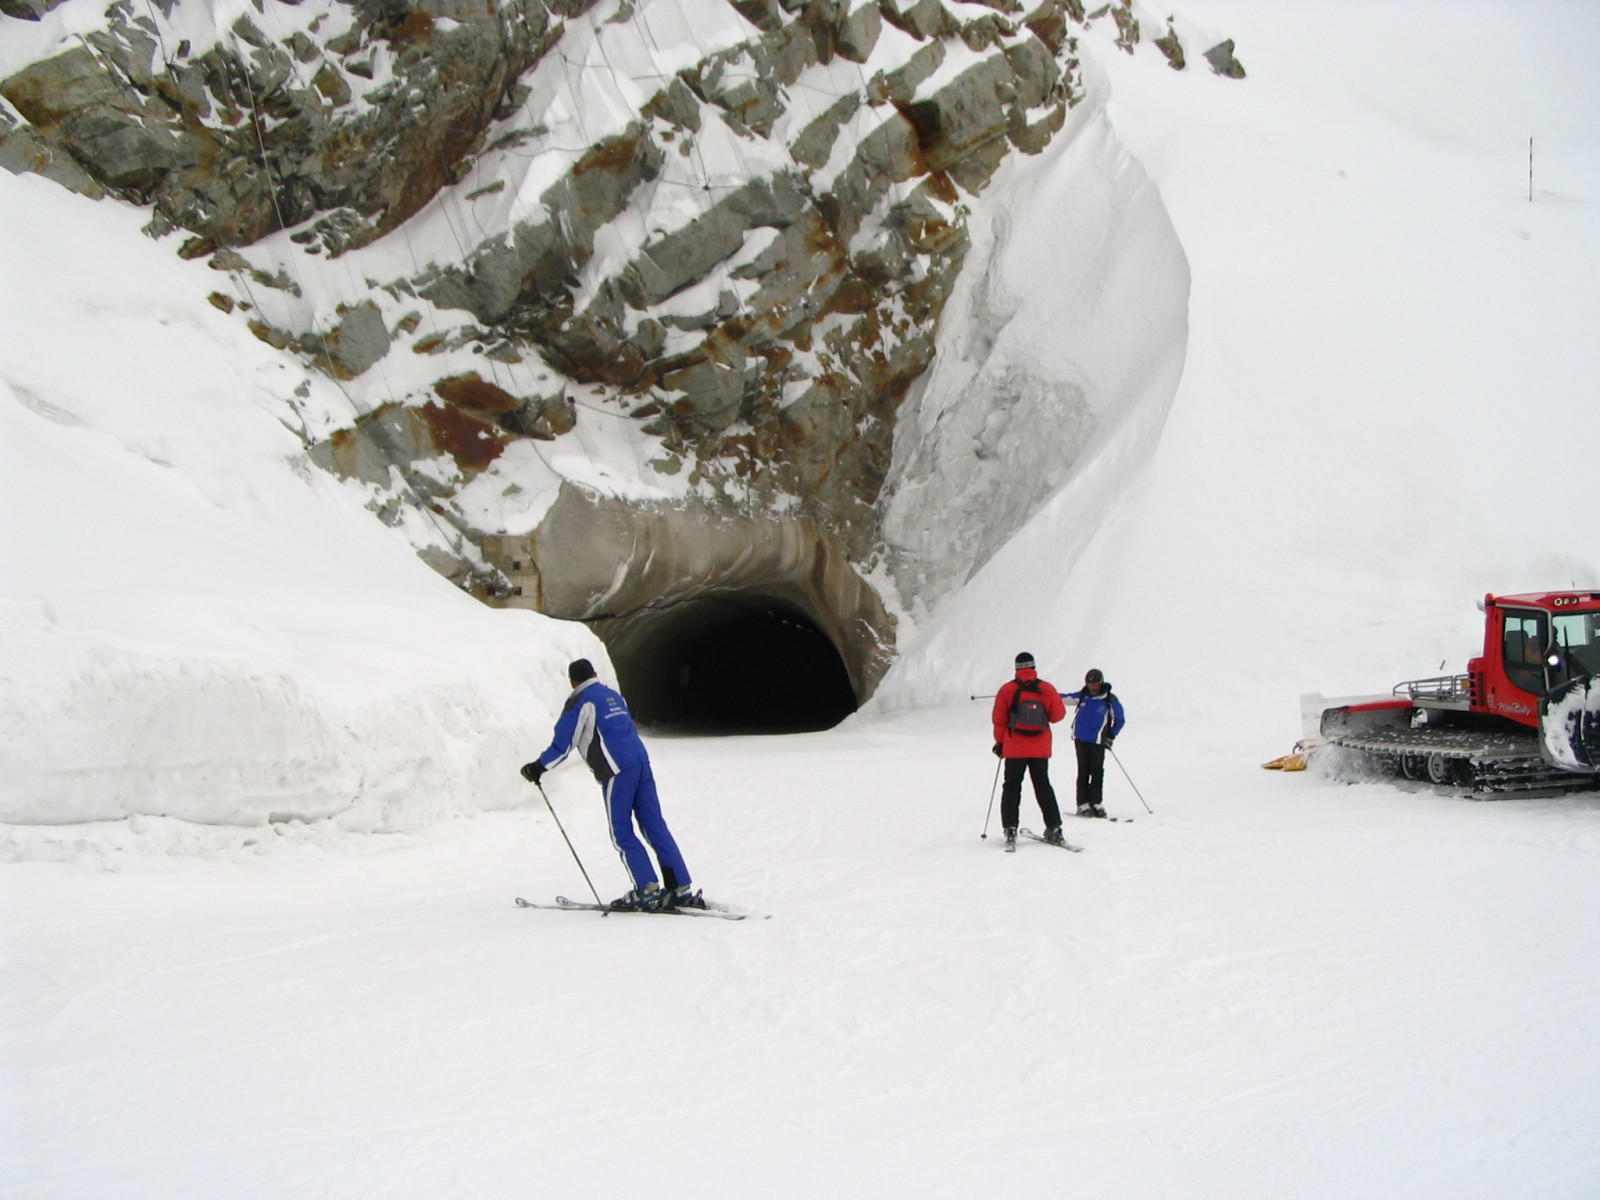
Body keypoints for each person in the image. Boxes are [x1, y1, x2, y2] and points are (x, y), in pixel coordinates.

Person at [520, 658, 703, 911]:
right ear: (594, 673)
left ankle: (647, 889)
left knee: (622, 831)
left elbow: (564, 744)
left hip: (617, 771)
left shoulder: (579, 701)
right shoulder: (613, 696)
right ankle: (680, 887)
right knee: (654, 826)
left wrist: (538, 767)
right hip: (641, 763)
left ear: (573, 681)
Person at [990, 652, 1069, 850]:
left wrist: (1000, 743)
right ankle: (1054, 828)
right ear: (1034, 667)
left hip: (1014, 747)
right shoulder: (1046, 689)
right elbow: (1058, 716)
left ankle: (1010, 829)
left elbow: (999, 720)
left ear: (1016, 668)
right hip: (1040, 748)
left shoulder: (1007, 690)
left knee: (1012, 787)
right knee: (1043, 786)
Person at [1064, 668, 1126, 818]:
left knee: (1097, 770)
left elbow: (1120, 720)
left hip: (1097, 741)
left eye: (1095, 683)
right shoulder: (1083, 696)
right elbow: (1063, 698)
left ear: (1101, 682)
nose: (1092, 686)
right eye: (1089, 683)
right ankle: (1082, 803)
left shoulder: (1109, 700)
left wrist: (1110, 736)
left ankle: (1096, 802)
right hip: (1080, 739)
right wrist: (1042, 693)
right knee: (1083, 770)